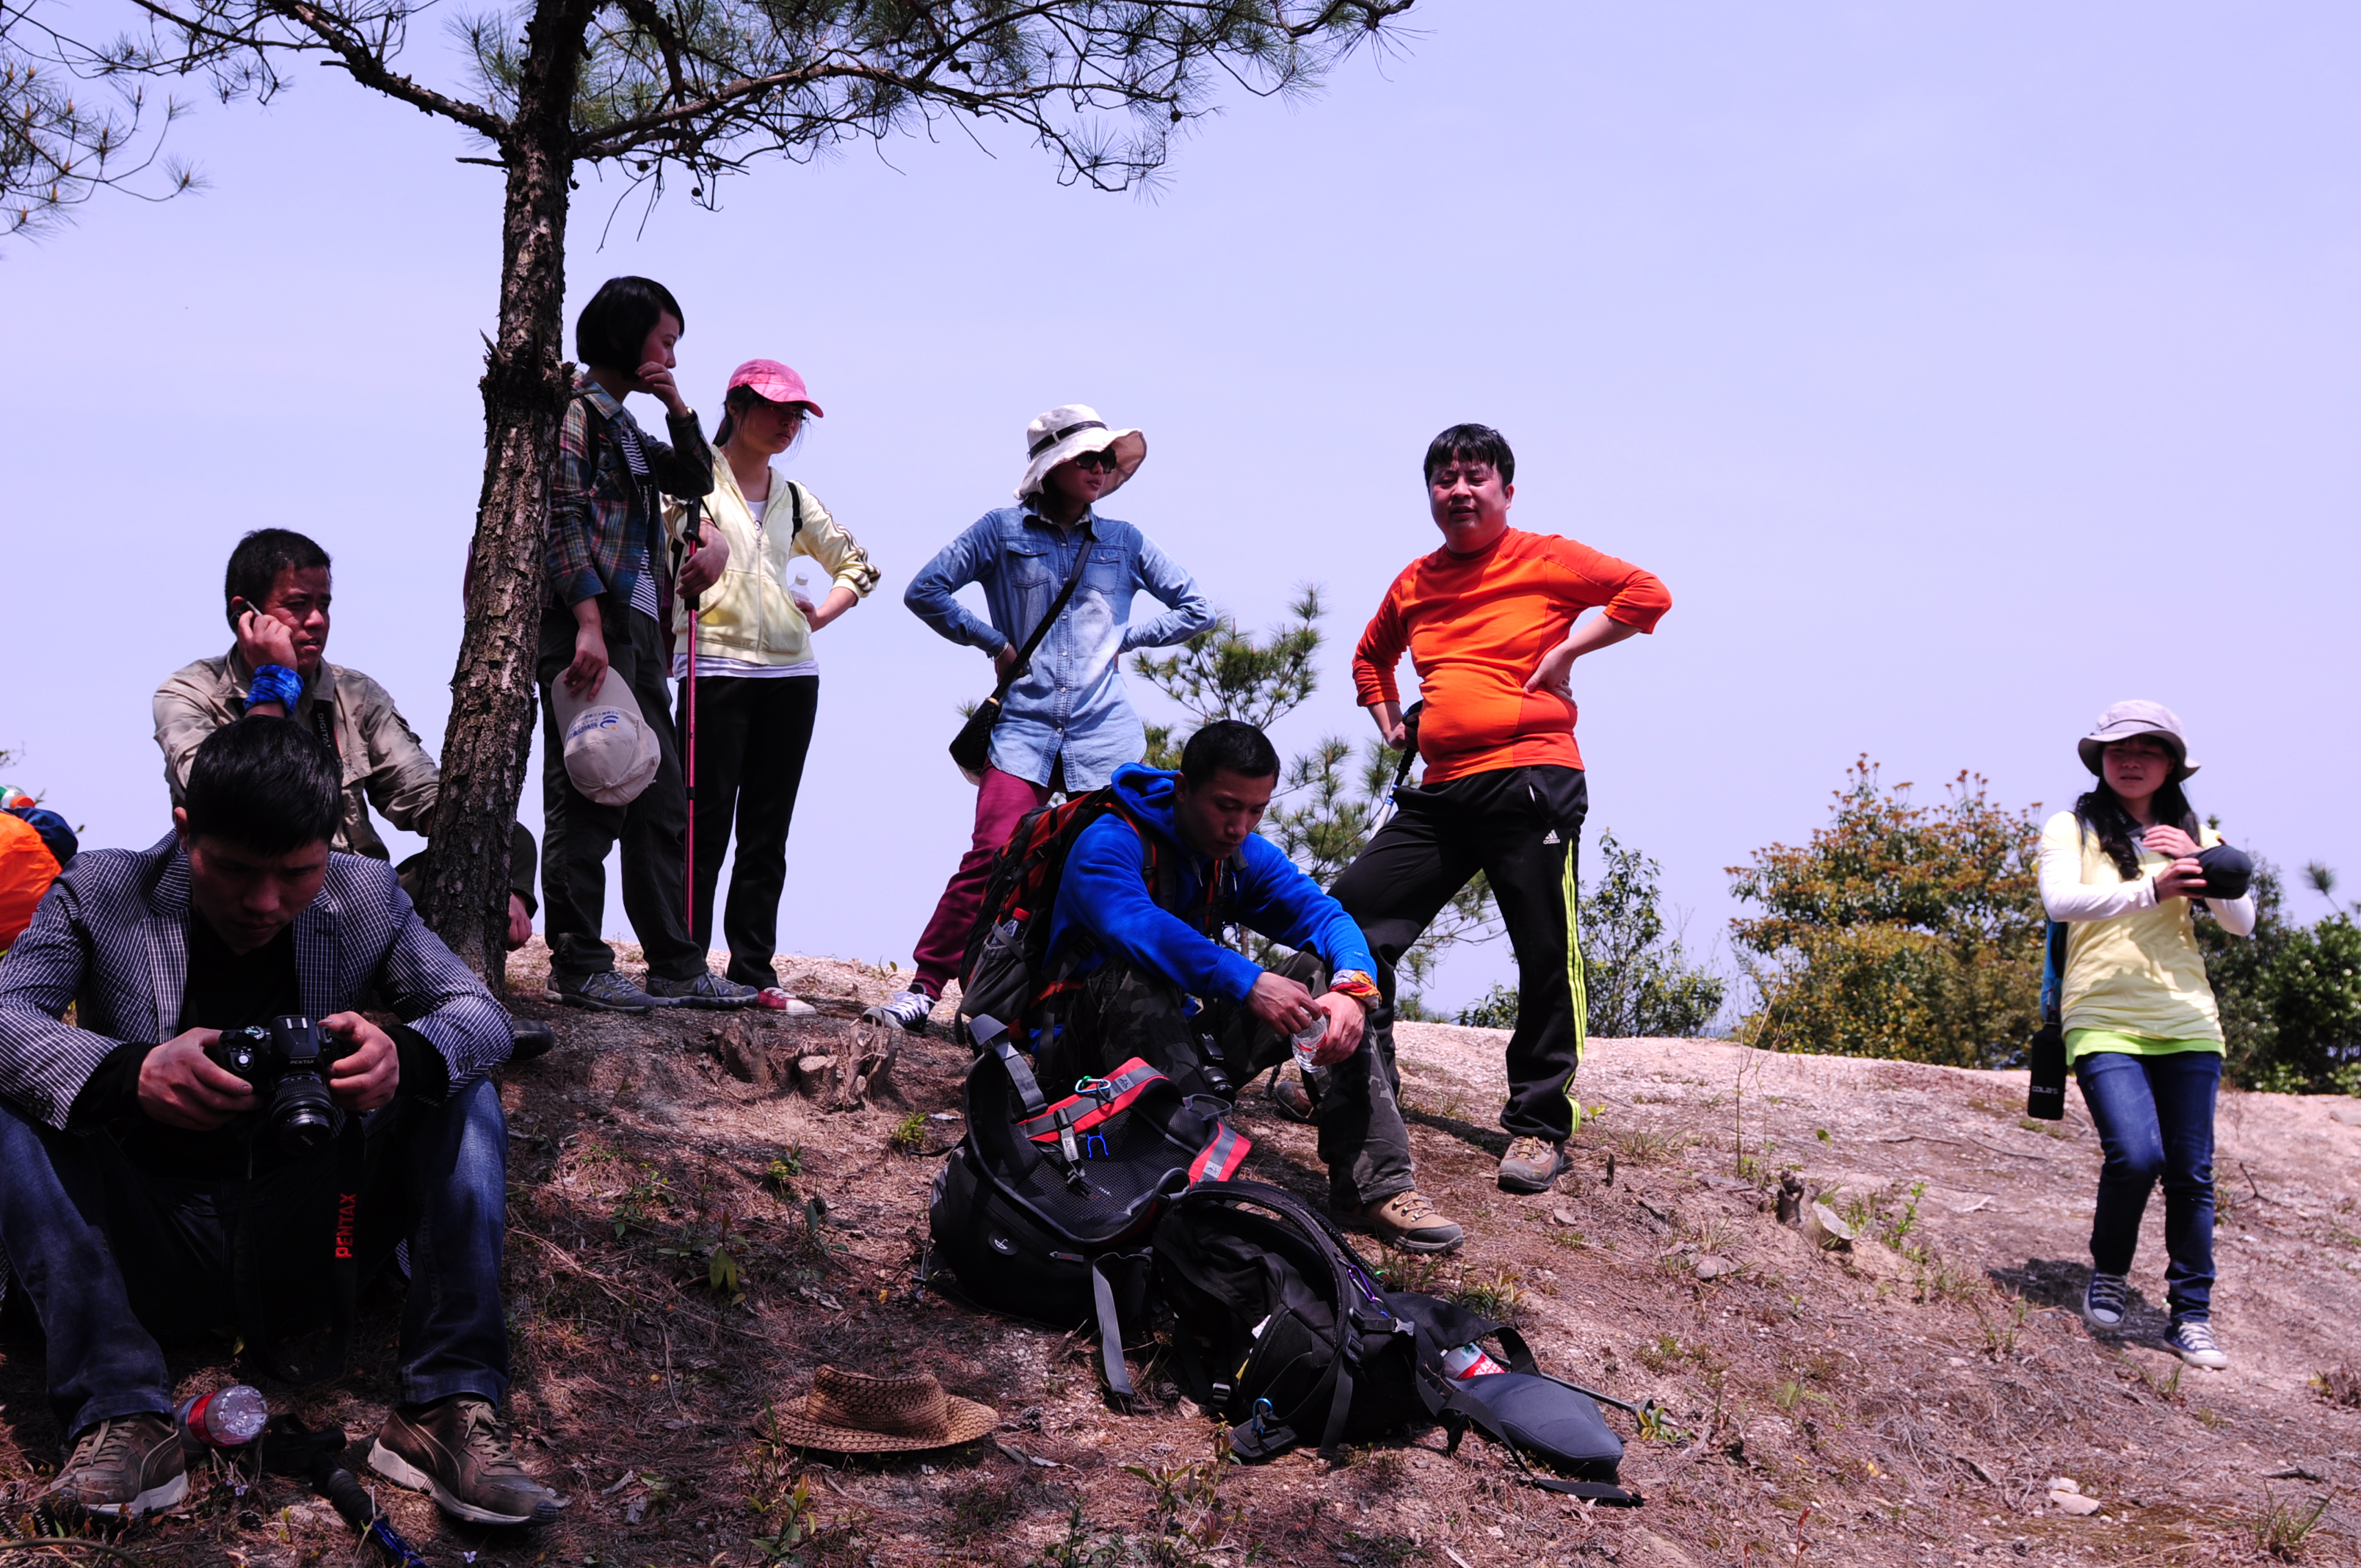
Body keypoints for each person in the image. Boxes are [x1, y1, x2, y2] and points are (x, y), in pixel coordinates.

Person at [0, 718, 565, 1524]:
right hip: (141, 1239)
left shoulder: (365, 893)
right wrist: (130, 1073)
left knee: (461, 1086)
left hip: (316, 1231)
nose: (264, 904)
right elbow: (4, 1015)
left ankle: (445, 1410)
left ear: (329, 845)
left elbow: (479, 1016)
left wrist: (402, 1054)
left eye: (295, 875)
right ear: (186, 830)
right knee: (13, 1106)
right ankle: (122, 1415)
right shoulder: (99, 890)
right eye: (234, 871)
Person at [1332, 424, 1670, 1196]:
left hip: (1530, 780)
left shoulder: (1544, 557)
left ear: (1506, 492)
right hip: (1440, 790)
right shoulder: (1416, 581)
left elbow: (1647, 592)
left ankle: (1540, 1125)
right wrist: (1390, 723)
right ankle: (1351, 1076)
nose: (1458, 490)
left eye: (1474, 477)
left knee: (1545, 952)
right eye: (1443, 479)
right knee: (1347, 921)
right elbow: (1368, 656)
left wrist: (1567, 653)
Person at [1032, 721, 1464, 1252]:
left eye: (1256, 811)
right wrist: (1250, 982)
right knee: (1133, 973)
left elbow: (1328, 918)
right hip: (1086, 1068)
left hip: (1184, 1041)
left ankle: (1374, 1188)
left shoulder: (1239, 858)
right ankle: (1195, 1178)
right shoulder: (1108, 842)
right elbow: (1138, 929)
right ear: (1184, 787)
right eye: (1227, 805)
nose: (1240, 826)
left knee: (1320, 972)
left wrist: (1351, 989)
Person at [874, 404, 1214, 1034]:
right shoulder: (1000, 531)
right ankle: (924, 988)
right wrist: (992, 641)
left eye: (1107, 458)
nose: (1100, 467)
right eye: (1087, 457)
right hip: (1024, 726)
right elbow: (925, 589)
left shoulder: (1125, 541)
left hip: (1105, 729)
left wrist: (1125, 639)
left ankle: (1123, 1003)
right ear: (1051, 468)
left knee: (1129, 865)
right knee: (993, 855)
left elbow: (1198, 608)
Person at [154, 529, 540, 951]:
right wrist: (274, 686)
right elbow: (240, 801)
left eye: (324, 605)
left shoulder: (355, 694)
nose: (317, 621)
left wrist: (496, 875)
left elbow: (425, 797)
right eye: (298, 605)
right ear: (244, 614)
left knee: (505, 835)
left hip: (357, 897)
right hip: (259, 904)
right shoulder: (188, 693)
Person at [540, 275, 750, 1013]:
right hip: (586, 628)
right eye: (665, 342)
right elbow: (562, 522)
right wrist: (590, 623)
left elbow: (696, 477)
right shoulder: (574, 414)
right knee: (591, 792)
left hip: (638, 634)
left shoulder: (624, 424)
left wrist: (677, 403)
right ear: (628, 338)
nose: (671, 355)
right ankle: (579, 964)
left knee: (661, 799)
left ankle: (676, 966)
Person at [2040, 700, 2254, 1370]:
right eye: (2118, 751)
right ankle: (2110, 1273)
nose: (2131, 762)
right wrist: (2151, 889)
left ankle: (2191, 1316)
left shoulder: (2196, 832)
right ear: (2101, 762)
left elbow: (2241, 922)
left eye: (2148, 751)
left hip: (2188, 1018)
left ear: (2170, 766)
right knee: (2135, 1154)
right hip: (2101, 1013)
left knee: (2193, 1174)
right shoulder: (2072, 828)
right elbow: (2060, 901)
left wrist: (2201, 859)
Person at [663, 359, 879, 1010]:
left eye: (797, 416)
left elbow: (859, 565)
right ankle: (684, 964)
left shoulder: (792, 497)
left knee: (767, 829)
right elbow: (670, 534)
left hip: (792, 675)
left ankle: (753, 968)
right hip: (712, 666)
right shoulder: (692, 474)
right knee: (700, 821)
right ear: (735, 405)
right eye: (776, 409)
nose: (788, 424)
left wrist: (822, 612)